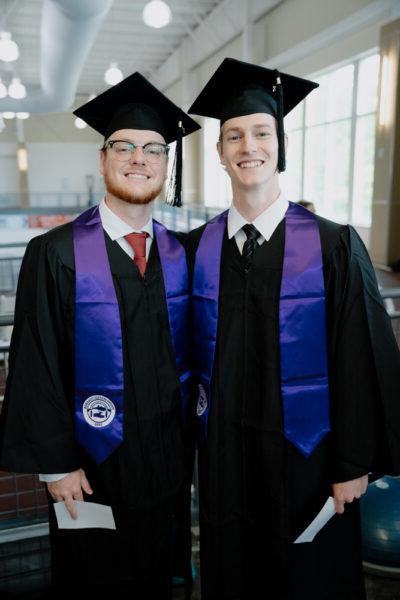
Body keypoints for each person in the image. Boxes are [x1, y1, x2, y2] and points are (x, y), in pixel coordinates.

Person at [186, 57, 400, 600]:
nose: (247, 146)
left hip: (311, 462)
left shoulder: (333, 245)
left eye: (261, 132)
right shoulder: (197, 249)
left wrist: (354, 464)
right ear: (220, 153)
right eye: (233, 136)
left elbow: (361, 357)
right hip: (226, 463)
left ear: (280, 144)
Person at [0, 72, 200, 600]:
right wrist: (56, 464)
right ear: (103, 157)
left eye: (153, 149)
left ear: (165, 164)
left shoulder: (184, 254)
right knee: (94, 582)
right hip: (90, 466)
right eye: (125, 146)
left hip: (166, 464)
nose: (139, 158)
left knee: (160, 578)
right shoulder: (55, 253)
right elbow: (35, 361)